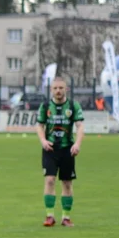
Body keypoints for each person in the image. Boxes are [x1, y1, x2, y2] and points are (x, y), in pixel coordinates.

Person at [36, 77, 84, 227]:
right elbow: (39, 126)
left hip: (67, 150)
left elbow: (80, 126)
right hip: (50, 149)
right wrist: (43, 141)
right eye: (55, 88)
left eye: (61, 88)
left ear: (66, 89)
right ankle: (49, 216)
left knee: (67, 183)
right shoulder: (45, 106)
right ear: (51, 90)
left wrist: (77, 144)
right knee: (49, 180)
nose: (58, 91)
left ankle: (66, 218)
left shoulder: (72, 105)